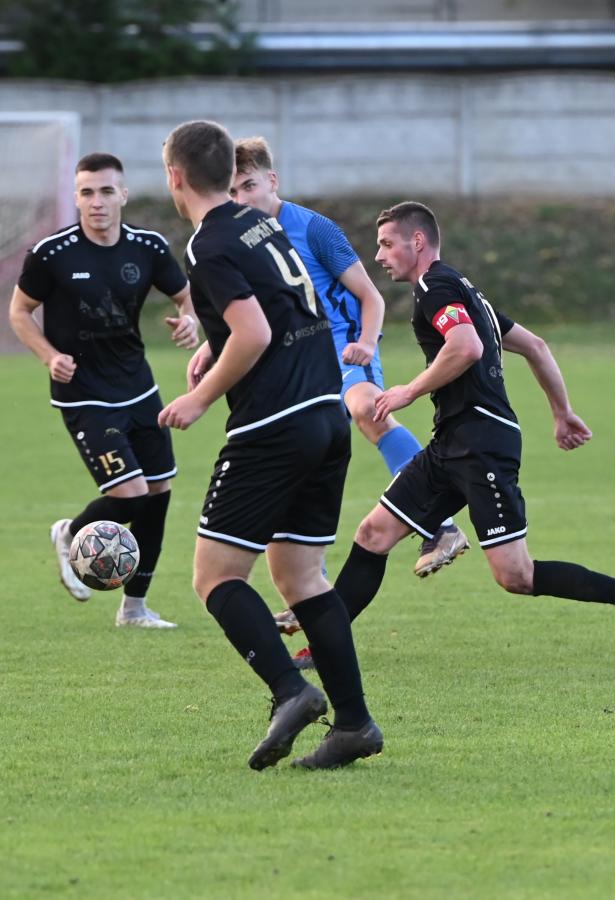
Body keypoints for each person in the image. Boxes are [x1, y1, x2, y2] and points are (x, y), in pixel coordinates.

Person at [328, 201, 615, 663]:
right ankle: (322, 644)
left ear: (418, 241)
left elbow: (465, 347)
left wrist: (410, 389)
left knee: (516, 576)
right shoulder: (466, 291)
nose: (379, 255)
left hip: (480, 444)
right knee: (373, 534)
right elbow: (535, 345)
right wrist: (562, 413)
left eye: (387, 244)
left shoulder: (435, 287)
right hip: (453, 442)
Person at [159, 119, 383, 770]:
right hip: (324, 414)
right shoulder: (262, 224)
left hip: (273, 425)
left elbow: (254, 332)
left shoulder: (209, 242)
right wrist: (215, 345)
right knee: (300, 576)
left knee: (215, 576)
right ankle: (354, 725)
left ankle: (291, 690)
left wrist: (201, 398)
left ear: (175, 177)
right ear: (229, 172)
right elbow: (287, 309)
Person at [228, 137, 468, 664]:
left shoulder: (314, 228)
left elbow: (371, 296)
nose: (242, 198)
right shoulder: (241, 240)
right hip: (293, 362)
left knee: (366, 408)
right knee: (296, 453)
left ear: (272, 181)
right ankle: (309, 588)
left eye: (249, 185)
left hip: (342, 347)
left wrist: (367, 342)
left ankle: (442, 524)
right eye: (233, 191)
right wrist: (209, 348)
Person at [9, 152, 199, 629]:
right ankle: (71, 532)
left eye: (106, 191)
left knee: (158, 494)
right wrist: (49, 356)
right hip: (83, 393)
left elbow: (187, 295)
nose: (97, 202)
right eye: (87, 192)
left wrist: (191, 320)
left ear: (123, 195)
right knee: (131, 496)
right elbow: (19, 312)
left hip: (139, 387)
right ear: (76, 198)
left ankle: (134, 608)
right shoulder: (51, 253)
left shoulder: (148, 247)